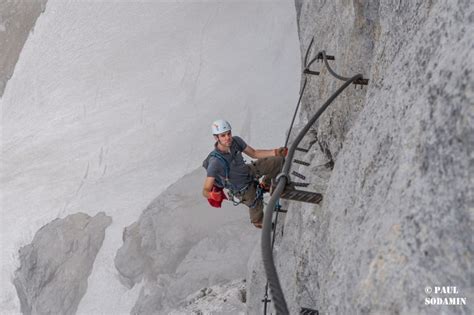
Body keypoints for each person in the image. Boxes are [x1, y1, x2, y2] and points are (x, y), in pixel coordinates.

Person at [202, 119, 287, 229]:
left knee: (278, 161)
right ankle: (258, 222)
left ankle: (266, 184)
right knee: (256, 206)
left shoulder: (236, 141)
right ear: (216, 138)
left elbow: (254, 153)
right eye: (223, 135)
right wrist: (212, 195)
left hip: (249, 171)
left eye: (229, 133)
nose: (227, 138)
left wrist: (275, 152)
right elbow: (205, 190)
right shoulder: (215, 162)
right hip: (242, 188)